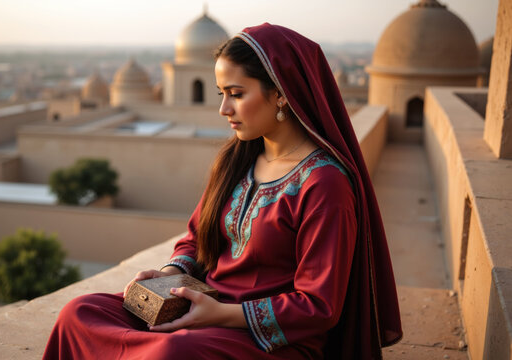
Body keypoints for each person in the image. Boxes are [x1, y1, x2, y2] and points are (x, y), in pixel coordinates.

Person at [43, 23, 402, 359]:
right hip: (204, 309)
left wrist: (223, 314)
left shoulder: (323, 184)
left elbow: (319, 305)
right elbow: (196, 240)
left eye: (236, 94)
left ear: (280, 94)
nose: (223, 108)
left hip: (270, 337)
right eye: (221, 93)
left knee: (172, 354)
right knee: (80, 312)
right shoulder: (239, 159)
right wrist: (169, 275)